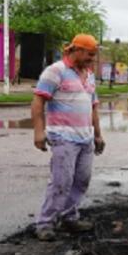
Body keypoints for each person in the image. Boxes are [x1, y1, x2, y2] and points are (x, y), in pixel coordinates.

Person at [32, 33, 105, 242]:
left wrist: (98, 135)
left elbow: (93, 107)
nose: (92, 59)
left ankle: (69, 217)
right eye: (90, 54)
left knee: (82, 180)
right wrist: (39, 131)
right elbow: (38, 102)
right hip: (63, 137)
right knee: (61, 181)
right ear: (77, 50)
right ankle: (45, 223)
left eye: (94, 55)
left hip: (86, 138)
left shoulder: (89, 75)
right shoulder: (55, 72)